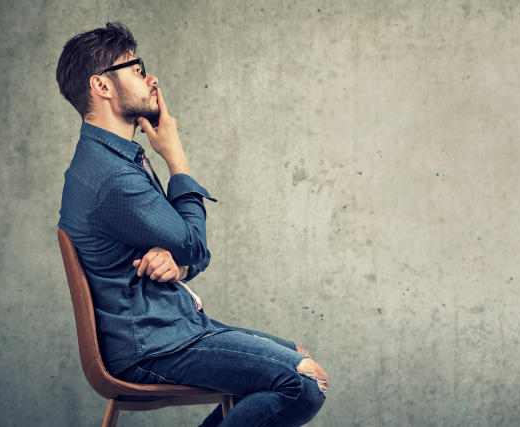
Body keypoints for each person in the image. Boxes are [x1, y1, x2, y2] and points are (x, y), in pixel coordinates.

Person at [55, 22, 326, 427]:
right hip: (153, 345)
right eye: (136, 68)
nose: (151, 79)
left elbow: (187, 254)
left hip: (170, 328)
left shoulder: (110, 161)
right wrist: (176, 157)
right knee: (303, 382)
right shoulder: (112, 177)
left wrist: (176, 263)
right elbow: (196, 244)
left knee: (296, 355)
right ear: (103, 86)